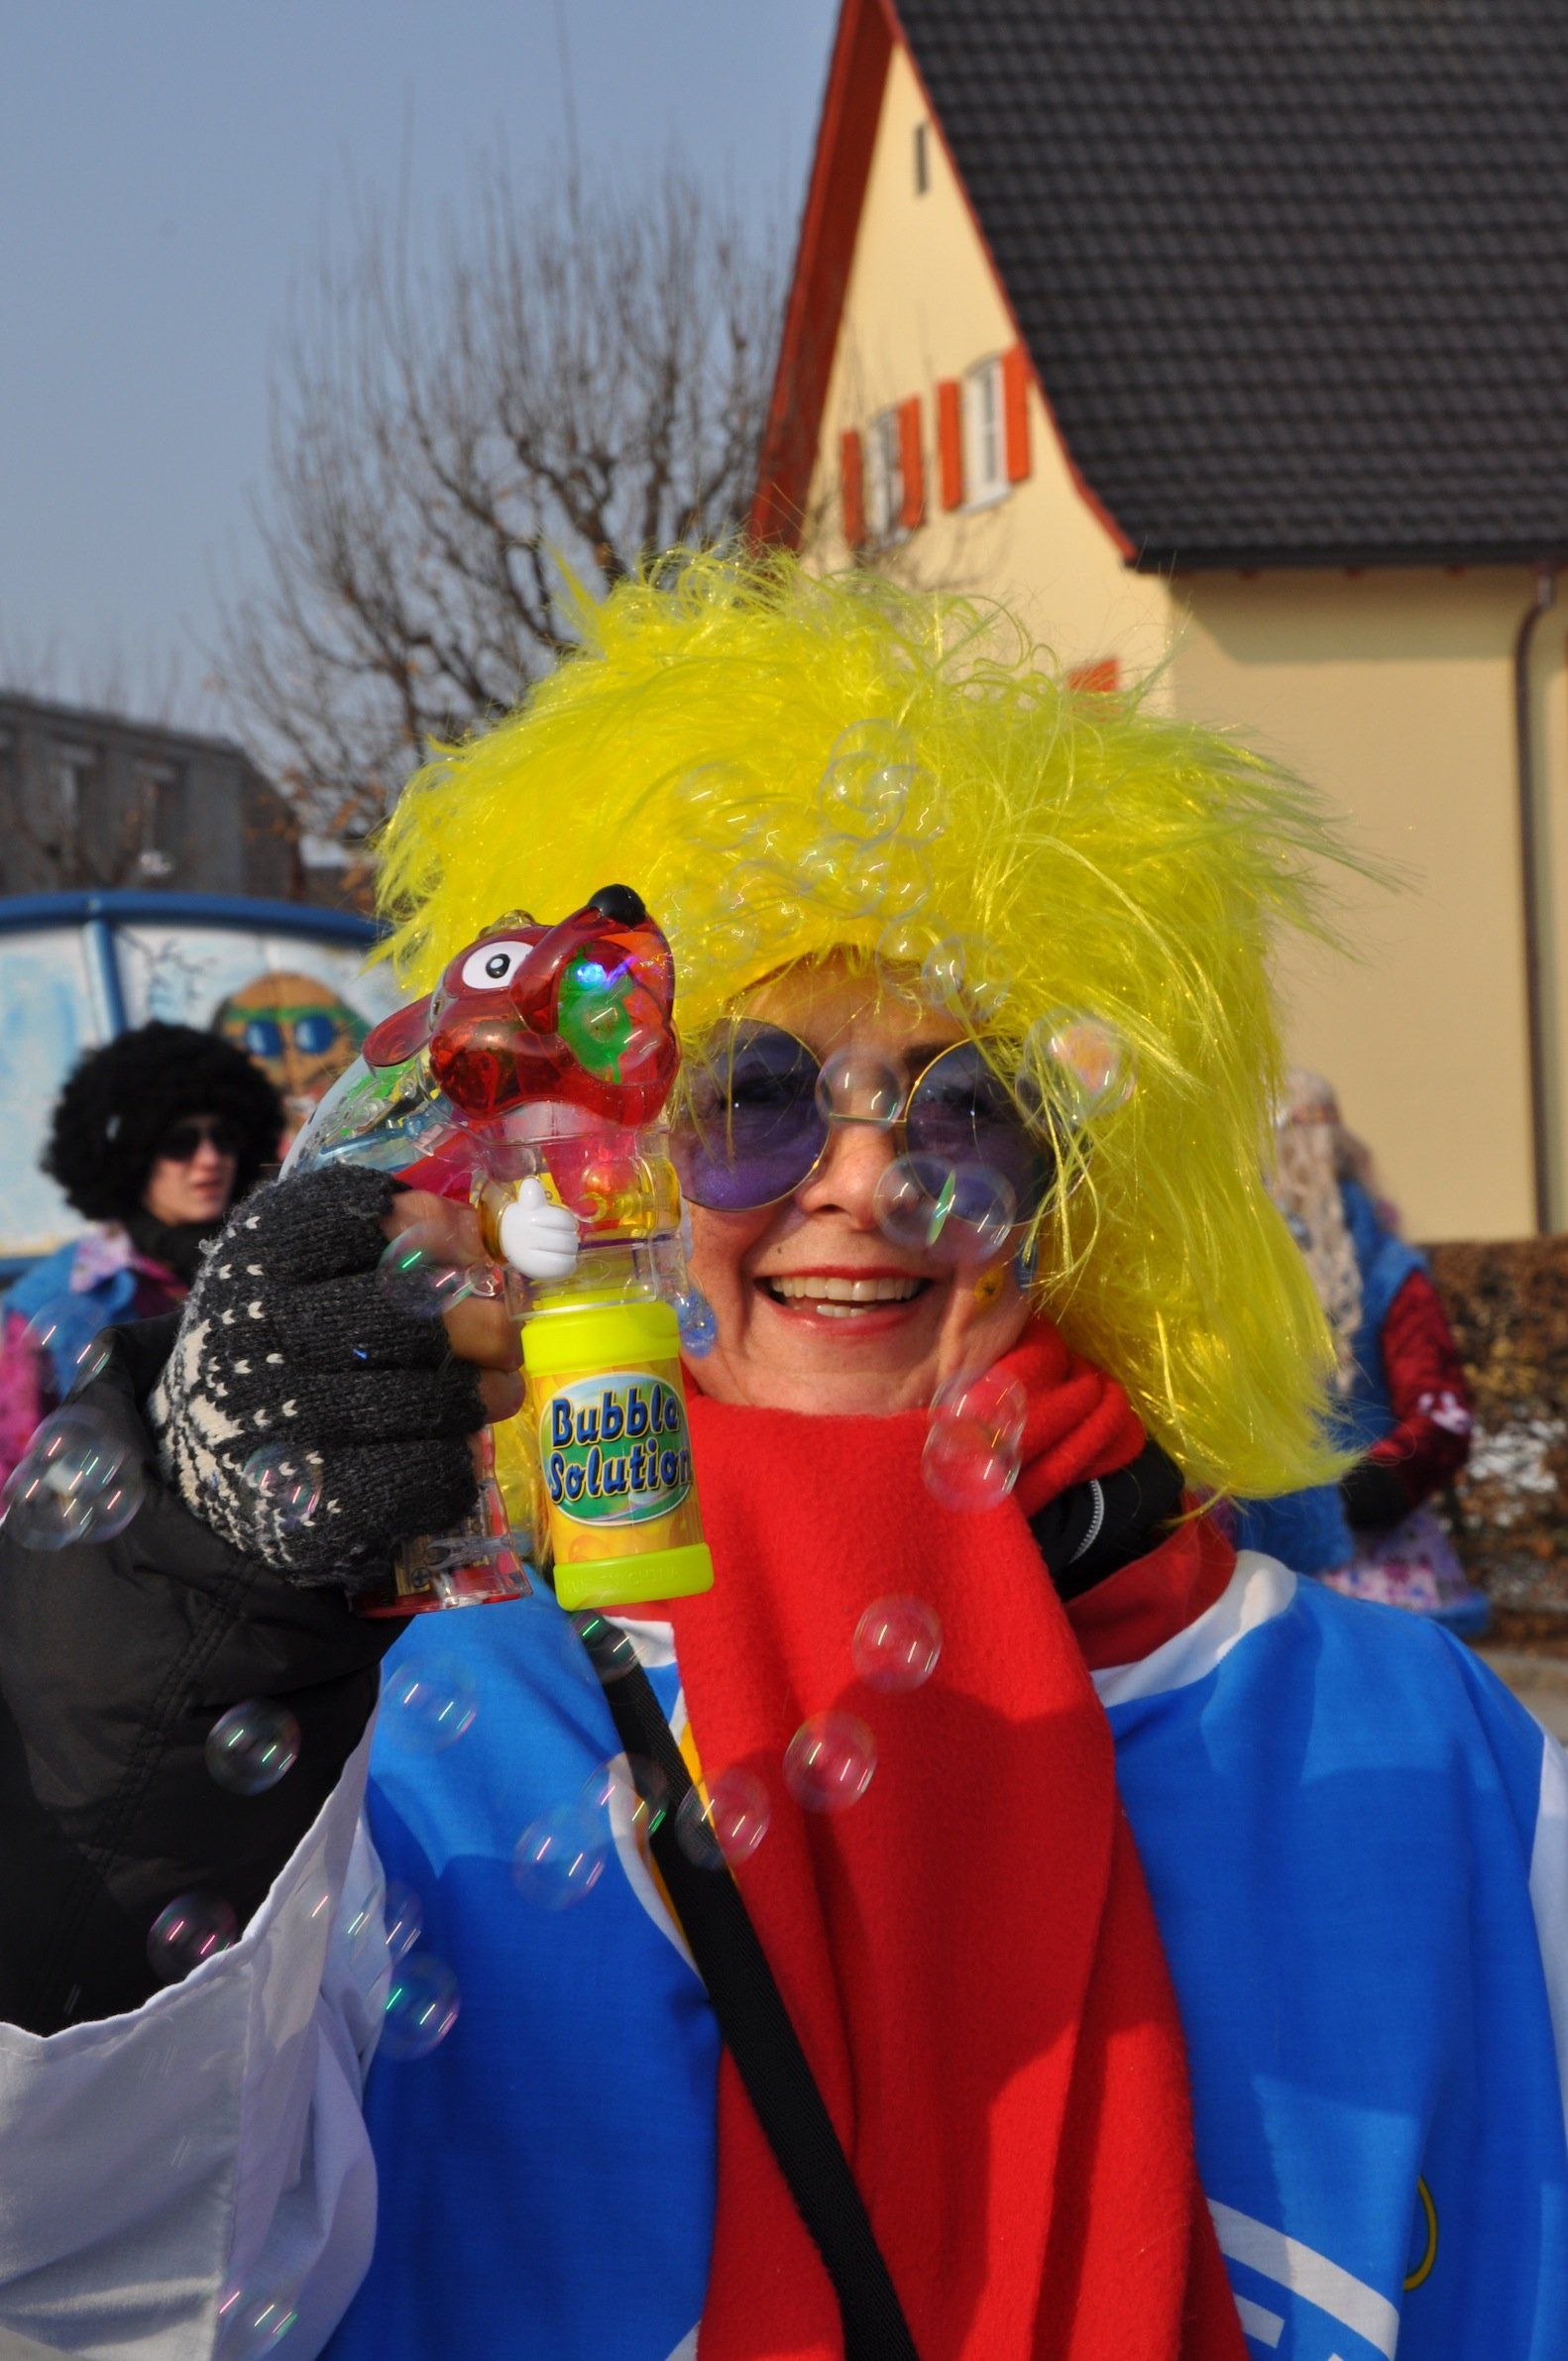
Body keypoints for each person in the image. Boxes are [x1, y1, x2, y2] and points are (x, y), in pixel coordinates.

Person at [0, 556, 1563, 2361]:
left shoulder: (1419, 1748)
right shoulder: (420, 1752)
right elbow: (73, 2255)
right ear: (612, 1170)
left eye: (965, 1102)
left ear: (1084, 1190)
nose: (865, 1180)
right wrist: (198, 1600)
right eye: (749, 1096)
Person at [1231, 1069, 1488, 1633]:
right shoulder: (1235, 1275)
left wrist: (1367, 1486)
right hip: (1252, 1544)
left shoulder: (1384, 1272)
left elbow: (1440, 1411)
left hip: (1364, 1555)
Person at [0, 1023, 284, 1486]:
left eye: (224, 1136)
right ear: (132, 1155)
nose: (210, 1158)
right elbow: (15, 1470)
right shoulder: (52, 1301)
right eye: (180, 1143)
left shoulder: (261, 1260)